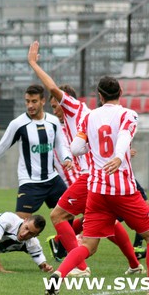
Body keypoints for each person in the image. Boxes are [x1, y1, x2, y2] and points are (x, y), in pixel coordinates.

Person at [28, 41, 144, 276]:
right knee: (109, 223)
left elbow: (51, 87)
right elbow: (114, 136)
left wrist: (33, 63)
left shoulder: (74, 108)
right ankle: (134, 264)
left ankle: (79, 268)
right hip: (106, 177)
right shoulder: (95, 116)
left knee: (57, 215)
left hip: (93, 177)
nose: (55, 110)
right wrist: (119, 154)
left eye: (55, 105)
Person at [45, 76, 149, 295]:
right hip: (123, 190)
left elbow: (75, 149)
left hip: (97, 191)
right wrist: (119, 157)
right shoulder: (128, 114)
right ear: (120, 92)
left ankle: (59, 275)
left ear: (100, 96)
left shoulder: (89, 117)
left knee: (88, 246)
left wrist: (93, 151)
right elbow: (122, 136)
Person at [0, 84, 72, 219]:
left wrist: (66, 158)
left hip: (52, 180)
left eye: (34, 101)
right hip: (30, 183)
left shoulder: (53, 122)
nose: (30, 105)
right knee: (20, 226)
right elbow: (1, 147)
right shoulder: (18, 124)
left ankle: (61, 241)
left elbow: (59, 145)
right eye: (27, 101)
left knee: (68, 214)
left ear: (43, 101)